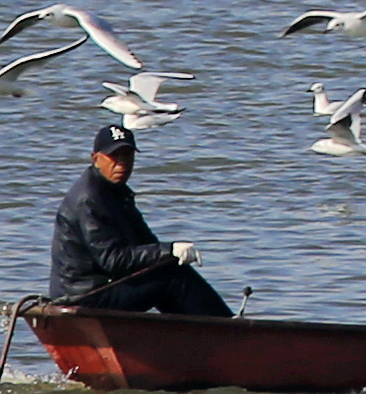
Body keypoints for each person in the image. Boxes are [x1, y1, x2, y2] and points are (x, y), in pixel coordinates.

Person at [47, 123, 232, 318]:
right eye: (114, 156)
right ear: (96, 158)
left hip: (101, 286)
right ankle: (229, 331)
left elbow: (144, 242)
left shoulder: (115, 192)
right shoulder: (90, 199)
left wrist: (170, 254)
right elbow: (113, 259)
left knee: (171, 267)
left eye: (127, 155)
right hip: (84, 295)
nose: (122, 163)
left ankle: (207, 331)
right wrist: (169, 250)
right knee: (173, 278)